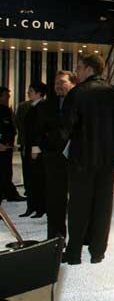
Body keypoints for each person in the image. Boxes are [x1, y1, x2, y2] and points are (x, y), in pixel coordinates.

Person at [62, 52, 114, 265]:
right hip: (108, 159)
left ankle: (73, 254)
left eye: (79, 68)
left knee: (78, 206)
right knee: (103, 205)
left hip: (81, 159)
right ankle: (97, 252)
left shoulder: (77, 94)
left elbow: (66, 128)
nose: (77, 72)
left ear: (88, 69)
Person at [35, 71, 76, 240]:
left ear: (73, 84)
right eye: (56, 82)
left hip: (77, 158)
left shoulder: (81, 102)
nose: (58, 85)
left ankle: (81, 236)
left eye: (63, 82)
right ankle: (55, 237)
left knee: (78, 199)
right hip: (53, 158)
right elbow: (39, 131)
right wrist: (48, 147)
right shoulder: (45, 106)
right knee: (55, 200)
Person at [20, 82, 48, 218]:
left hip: (36, 148)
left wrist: (36, 147)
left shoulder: (42, 107)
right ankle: (31, 206)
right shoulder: (31, 107)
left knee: (37, 178)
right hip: (29, 146)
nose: (28, 92)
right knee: (29, 178)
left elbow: (40, 129)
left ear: (38, 93)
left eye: (31, 90)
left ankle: (40, 207)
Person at [0, 86, 24, 202]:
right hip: (2, 147)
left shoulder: (6, 110)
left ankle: (8, 193)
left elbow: (11, 128)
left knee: (6, 172)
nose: (8, 98)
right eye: (6, 96)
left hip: (7, 146)